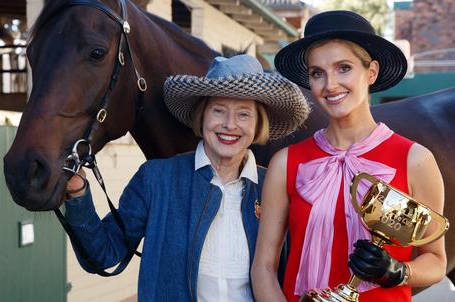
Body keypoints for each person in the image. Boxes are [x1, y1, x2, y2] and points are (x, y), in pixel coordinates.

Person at [63, 54, 310, 302]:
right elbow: (102, 254)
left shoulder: (274, 187)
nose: (230, 124)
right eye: (218, 110)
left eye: (244, 114)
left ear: (258, 125)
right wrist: (77, 193)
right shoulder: (157, 180)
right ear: (201, 117)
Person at [251, 11, 447, 302]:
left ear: (371, 72)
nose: (330, 85)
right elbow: (264, 267)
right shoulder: (285, 163)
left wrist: (399, 271)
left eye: (343, 68)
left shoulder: (415, 160)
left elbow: (436, 261)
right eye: (318, 73)